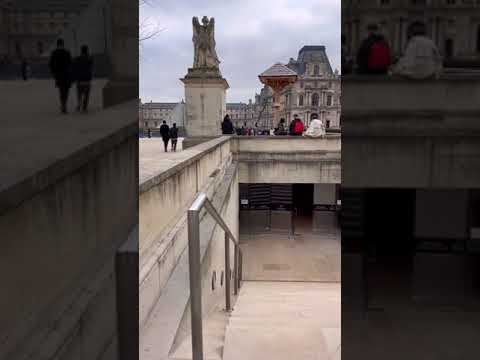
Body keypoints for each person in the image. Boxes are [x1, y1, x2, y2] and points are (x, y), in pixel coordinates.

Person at [49, 38, 72, 113]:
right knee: (66, 90)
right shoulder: (67, 52)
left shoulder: (54, 53)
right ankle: (64, 103)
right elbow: (70, 63)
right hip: (66, 74)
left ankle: (63, 104)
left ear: (57, 44)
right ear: (63, 44)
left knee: (61, 90)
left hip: (58, 74)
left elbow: (51, 64)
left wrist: (53, 73)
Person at [73, 45, 93, 112]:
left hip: (79, 79)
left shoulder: (77, 59)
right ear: (87, 51)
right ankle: (84, 107)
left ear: (81, 51)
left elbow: (75, 68)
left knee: (79, 93)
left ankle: (79, 104)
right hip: (87, 79)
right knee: (86, 94)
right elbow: (91, 67)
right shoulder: (89, 59)